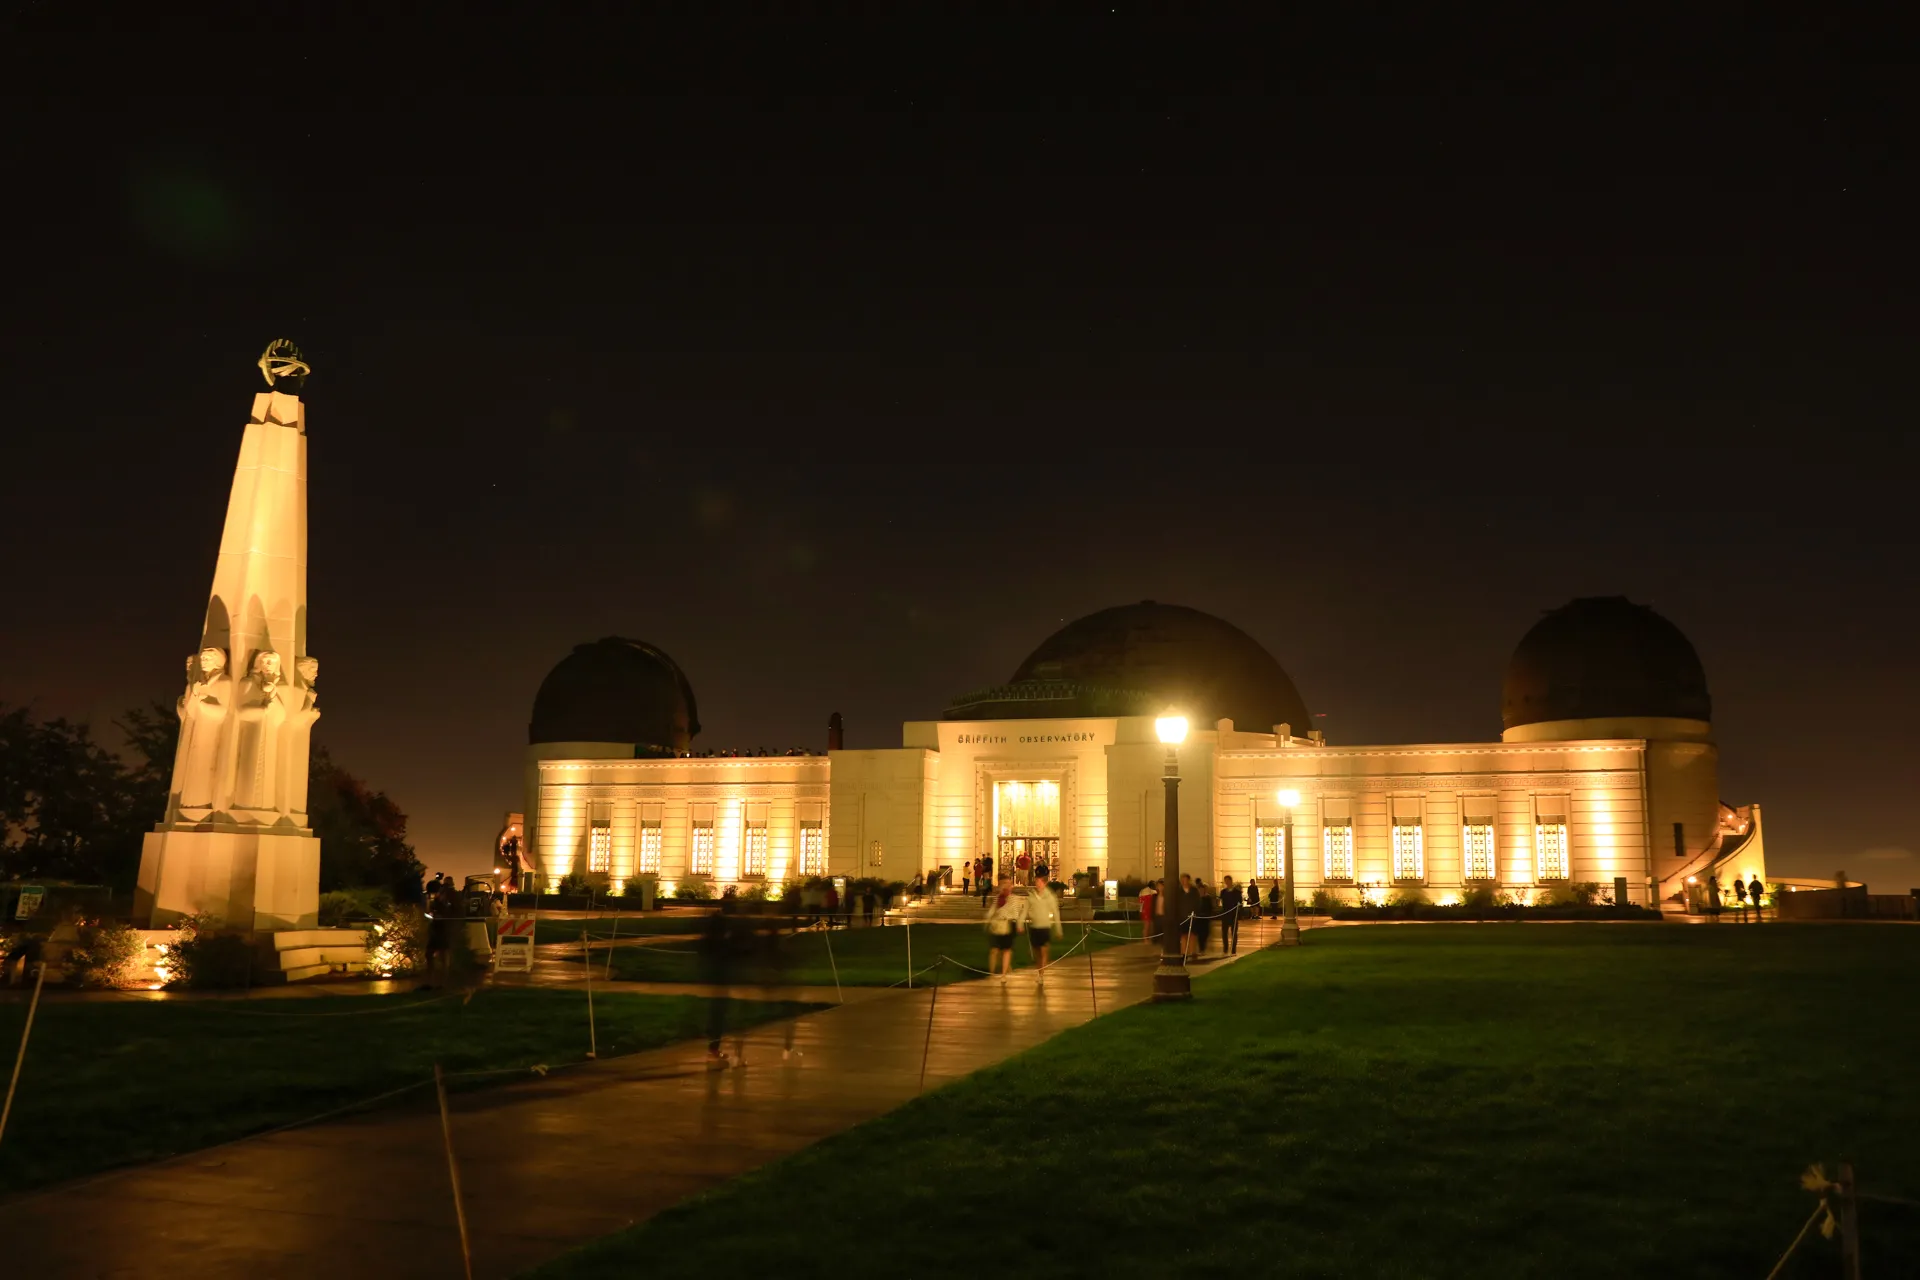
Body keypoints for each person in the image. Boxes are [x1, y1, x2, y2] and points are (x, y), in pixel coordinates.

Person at [1025, 871, 1061, 985]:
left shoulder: (1050, 896)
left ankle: (1041, 974)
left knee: (1044, 951)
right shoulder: (1032, 895)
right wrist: (1020, 923)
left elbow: (1056, 912)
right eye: (1036, 881)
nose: (1037, 884)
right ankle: (1039, 971)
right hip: (1034, 927)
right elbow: (1025, 910)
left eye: (1040, 882)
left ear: (1044, 883)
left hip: (1045, 927)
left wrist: (1058, 929)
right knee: (1037, 953)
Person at [984, 876, 1022, 975]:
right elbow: (992, 910)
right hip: (997, 925)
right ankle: (992, 972)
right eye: (1003, 883)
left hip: (1009, 924)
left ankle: (1005, 969)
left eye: (1008, 883)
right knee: (994, 949)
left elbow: (1015, 913)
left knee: (1006, 949)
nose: (1005, 885)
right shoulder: (998, 898)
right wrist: (988, 919)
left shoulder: (1014, 899)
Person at [1219, 875, 1242, 955]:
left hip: (1233, 915)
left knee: (1234, 933)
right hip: (1225, 914)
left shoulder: (1237, 892)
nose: (1227, 882)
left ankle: (1233, 950)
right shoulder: (1223, 892)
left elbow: (1240, 903)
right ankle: (1225, 950)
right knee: (1224, 933)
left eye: (1228, 881)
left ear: (1231, 881)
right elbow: (1222, 901)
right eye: (1225, 881)